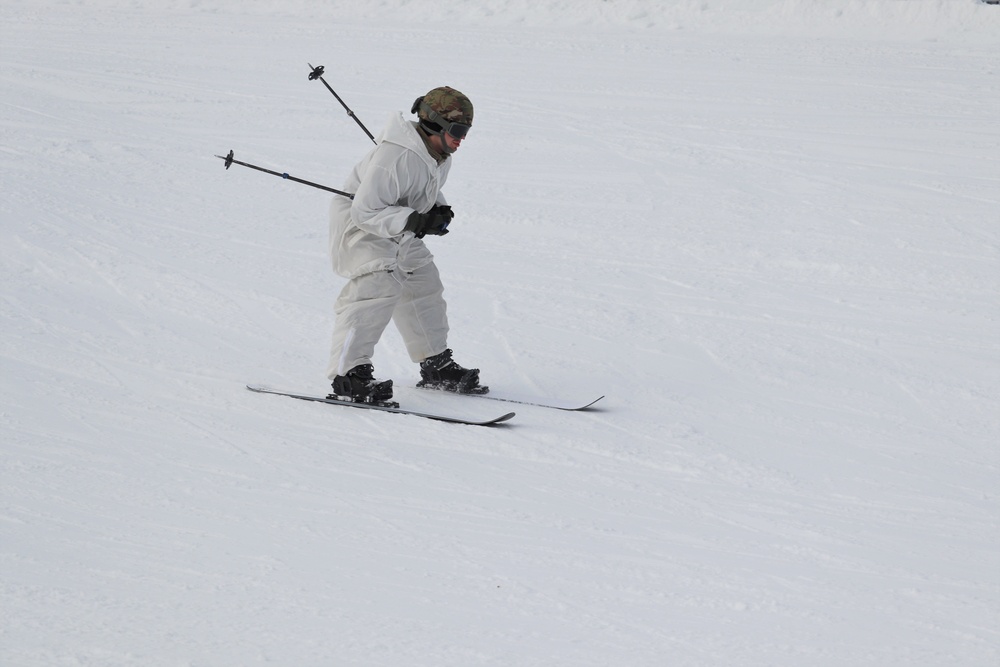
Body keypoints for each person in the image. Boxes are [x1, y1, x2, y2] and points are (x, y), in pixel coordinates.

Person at [325, 86, 487, 404]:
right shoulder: (396, 157)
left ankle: (435, 363)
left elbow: (421, 188)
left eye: (466, 130)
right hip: (361, 227)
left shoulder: (439, 155)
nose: (462, 138)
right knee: (379, 285)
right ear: (435, 125)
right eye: (457, 130)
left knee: (422, 280)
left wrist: (435, 209)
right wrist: (413, 220)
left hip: (395, 226)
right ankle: (348, 376)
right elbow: (365, 211)